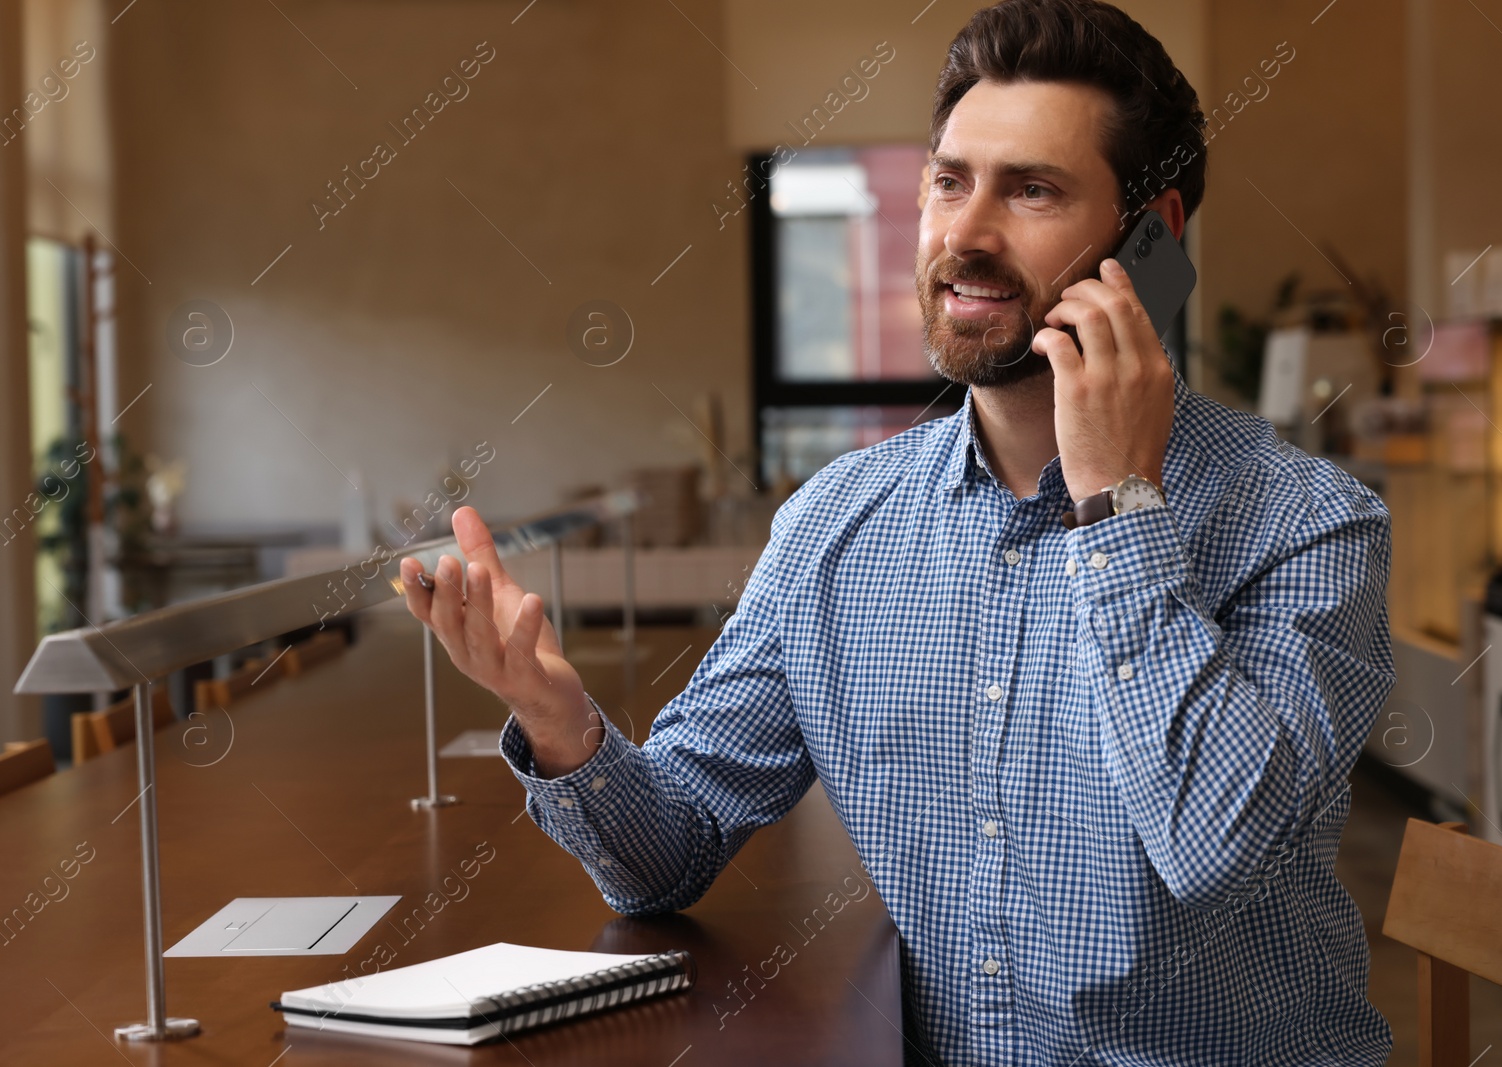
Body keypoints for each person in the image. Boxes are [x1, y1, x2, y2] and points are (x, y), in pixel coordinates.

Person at [400, 1, 1395, 1062]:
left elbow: (1215, 843)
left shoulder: (1309, 525)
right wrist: (559, 720)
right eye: (948, 179)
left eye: (1032, 189)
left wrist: (1114, 502)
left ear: (1151, 238)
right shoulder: (836, 526)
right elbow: (669, 853)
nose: (965, 234)